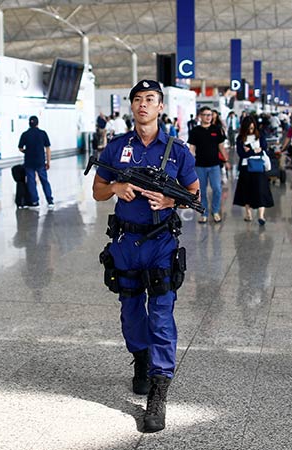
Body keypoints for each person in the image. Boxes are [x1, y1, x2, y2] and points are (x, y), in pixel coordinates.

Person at [92, 80, 199, 433]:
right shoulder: (117, 148)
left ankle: (158, 388)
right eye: (137, 100)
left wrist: (171, 200)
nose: (142, 105)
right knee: (131, 312)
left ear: (161, 107)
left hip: (161, 243)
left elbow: (194, 193)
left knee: (162, 315)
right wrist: (115, 188)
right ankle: (140, 359)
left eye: (149, 100)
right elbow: (97, 191)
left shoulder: (178, 150)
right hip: (125, 242)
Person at [188, 106, 229, 223]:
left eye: (210, 115)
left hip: (215, 165)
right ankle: (204, 213)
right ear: (200, 116)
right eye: (205, 115)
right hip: (200, 165)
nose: (208, 117)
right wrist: (191, 162)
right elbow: (192, 148)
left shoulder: (216, 129)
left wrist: (226, 160)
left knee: (217, 189)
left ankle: (215, 211)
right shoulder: (195, 131)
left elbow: (221, 146)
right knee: (202, 191)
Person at [233, 118, 273, 225]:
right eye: (249, 128)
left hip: (259, 167)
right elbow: (241, 154)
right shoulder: (240, 138)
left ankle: (261, 216)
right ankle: (248, 213)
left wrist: (250, 150)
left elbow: (264, 149)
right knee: (246, 191)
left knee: (261, 191)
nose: (251, 130)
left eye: (252, 127)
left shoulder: (260, 136)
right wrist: (254, 150)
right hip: (245, 168)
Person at [18, 115, 54, 208]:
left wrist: (27, 152)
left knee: (31, 181)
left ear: (29, 124)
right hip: (40, 161)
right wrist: (48, 162)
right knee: (44, 180)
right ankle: (50, 201)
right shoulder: (43, 133)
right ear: (38, 123)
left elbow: (20, 148)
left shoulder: (25, 134)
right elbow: (47, 148)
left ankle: (35, 201)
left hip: (29, 161)